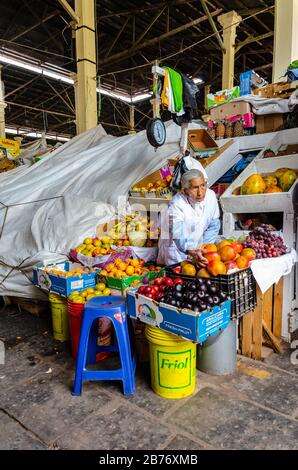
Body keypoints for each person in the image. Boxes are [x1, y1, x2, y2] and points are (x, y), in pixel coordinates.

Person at [157, 169, 220, 266]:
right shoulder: (176, 205)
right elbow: (177, 233)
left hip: (197, 251)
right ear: (184, 191)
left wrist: (205, 249)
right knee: (179, 276)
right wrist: (189, 250)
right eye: (195, 188)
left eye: (203, 185)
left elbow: (213, 225)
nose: (200, 192)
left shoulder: (211, 196)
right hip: (176, 252)